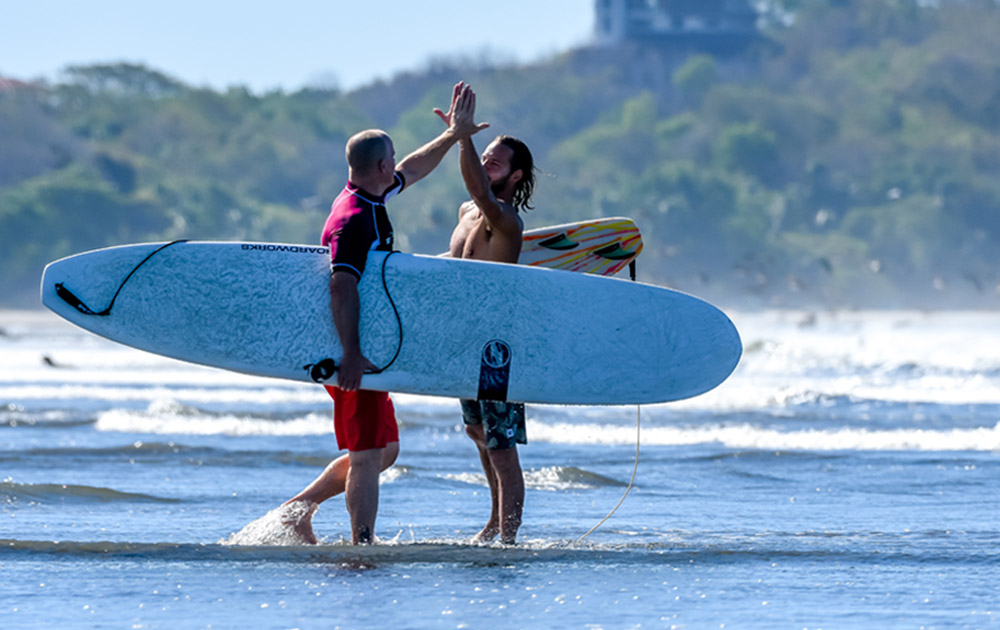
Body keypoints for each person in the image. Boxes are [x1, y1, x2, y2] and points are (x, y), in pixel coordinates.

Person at [283, 82, 489, 545]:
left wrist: (456, 135)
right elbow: (341, 285)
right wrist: (351, 354)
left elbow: (414, 169)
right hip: (352, 350)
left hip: (365, 348)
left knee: (384, 450)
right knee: (368, 454)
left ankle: (299, 510)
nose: (397, 166)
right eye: (391, 159)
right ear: (380, 166)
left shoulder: (369, 196)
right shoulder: (355, 219)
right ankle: (362, 546)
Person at [438, 98, 537, 545]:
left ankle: (509, 540)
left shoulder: (505, 219)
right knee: (477, 432)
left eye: (495, 160)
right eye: (485, 155)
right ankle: (494, 522)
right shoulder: (466, 214)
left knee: (500, 446)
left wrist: (462, 135)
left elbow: (481, 190)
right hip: (462, 338)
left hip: (494, 345)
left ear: (515, 177)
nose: (485, 160)